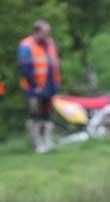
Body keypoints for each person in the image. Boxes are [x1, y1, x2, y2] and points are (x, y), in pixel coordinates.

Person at [17, 20, 61, 153]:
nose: (48, 35)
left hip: (50, 85)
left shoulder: (50, 43)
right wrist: (35, 85)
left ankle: (48, 142)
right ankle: (38, 144)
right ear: (37, 32)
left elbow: (54, 63)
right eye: (45, 32)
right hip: (34, 87)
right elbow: (25, 67)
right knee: (35, 115)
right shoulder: (26, 45)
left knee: (47, 116)